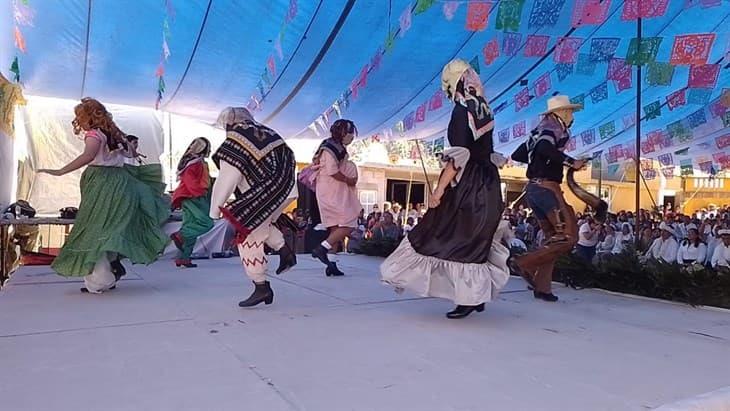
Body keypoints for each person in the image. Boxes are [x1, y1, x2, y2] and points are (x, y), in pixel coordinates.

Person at [381, 59, 509, 319]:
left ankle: (469, 298)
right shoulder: (484, 109)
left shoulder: (462, 112)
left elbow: (458, 157)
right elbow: (486, 151)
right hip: (489, 184)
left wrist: (437, 193)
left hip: (469, 186)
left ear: (453, 86)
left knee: (446, 238)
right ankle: (474, 296)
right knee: (474, 241)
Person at [38, 98, 169, 293]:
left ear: (87, 116)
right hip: (121, 182)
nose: (78, 121)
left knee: (94, 228)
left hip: (102, 183)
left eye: (80, 116)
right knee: (108, 227)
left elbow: (88, 156)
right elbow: (132, 154)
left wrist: (60, 171)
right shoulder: (114, 133)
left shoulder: (94, 135)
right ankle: (109, 270)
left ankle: (100, 278)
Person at [209, 107, 297, 308]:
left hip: (261, 192)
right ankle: (284, 251)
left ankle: (261, 286)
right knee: (261, 222)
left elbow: (228, 177)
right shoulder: (270, 133)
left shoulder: (236, 141)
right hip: (284, 189)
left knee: (248, 234)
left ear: (229, 123)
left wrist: (216, 208)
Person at [509, 95, 587, 302]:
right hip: (547, 189)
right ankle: (524, 262)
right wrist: (570, 162)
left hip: (533, 190)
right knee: (568, 236)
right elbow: (544, 147)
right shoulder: (553, 126)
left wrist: (539, 162)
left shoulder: (538, 130)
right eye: (569, 111)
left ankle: (542, 287)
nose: (572, 116)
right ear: (561, 112)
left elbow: (518, 154)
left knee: (553, 239)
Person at [310, 119, 363, 277]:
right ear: (342, 133)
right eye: (349, 133)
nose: (351, 136)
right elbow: (333, 171)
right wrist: (349, 180)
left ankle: (331, 264)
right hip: (332, 190)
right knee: (349, 223)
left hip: (334, 189)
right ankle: (322, 248)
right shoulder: (330, 147)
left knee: (335, 228)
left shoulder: (333, 145)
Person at [170, 137, 214, 268]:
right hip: (194, 197)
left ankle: (183, 258)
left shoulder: (189, 161)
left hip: (187, 196)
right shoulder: (195, 162)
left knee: (190, 224)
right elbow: (191, 180)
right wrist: (200, 192)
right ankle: (180, 236)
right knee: (206, 223)